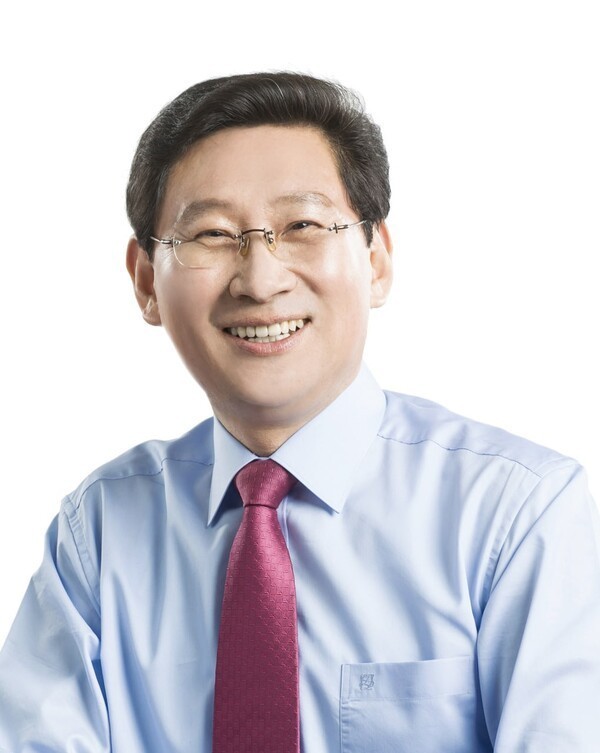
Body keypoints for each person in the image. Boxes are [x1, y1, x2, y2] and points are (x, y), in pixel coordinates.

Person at [0, 72, 598, 753]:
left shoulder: (515, 515)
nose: (260, 279)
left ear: (376, 260)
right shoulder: (100, 532)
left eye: (303, 226)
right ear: (145, 282)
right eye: (212, 234)